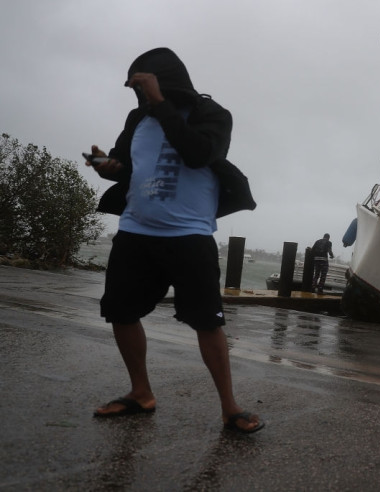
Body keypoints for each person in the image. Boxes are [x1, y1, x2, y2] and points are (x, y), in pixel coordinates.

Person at [86, 47, 262, 434]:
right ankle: (140, 393)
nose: (139, 95)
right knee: (121, 311)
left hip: (189, 234)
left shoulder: (210, 115)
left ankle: (229, 407)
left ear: (164, 80)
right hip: (135, 230)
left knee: (207, 321)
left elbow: (198, 154)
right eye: (134, 88)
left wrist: (161, 102)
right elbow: (126, 167)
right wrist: (105, 165)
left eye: (142, 84)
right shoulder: (137, 118)